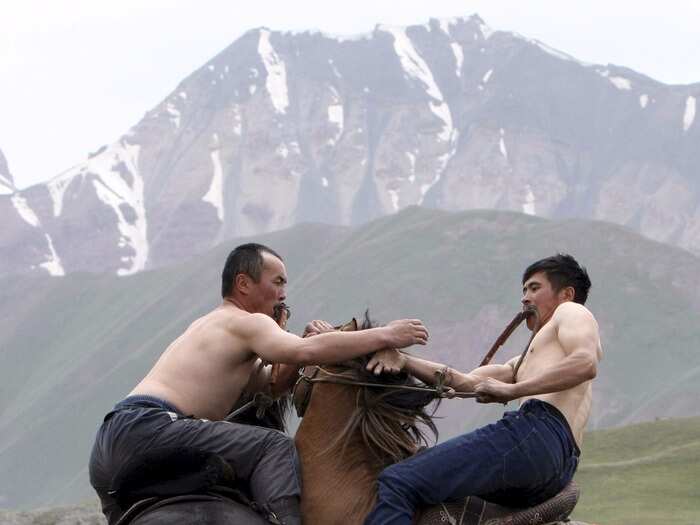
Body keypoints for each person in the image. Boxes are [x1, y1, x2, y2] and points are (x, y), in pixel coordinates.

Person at [88, 243, 429, 525]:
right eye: (277, 282)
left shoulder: (215, 328)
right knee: (274, 447)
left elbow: (273, 386)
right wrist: (387, 334)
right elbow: (304, 351)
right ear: (244, 284)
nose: (282, 294)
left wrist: (283, 335)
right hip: (151, 426)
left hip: (109, 450)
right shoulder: (243, 322)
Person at [363, 254, 602, 525]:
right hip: (554, 463)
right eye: (523, 290)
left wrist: (513, 391)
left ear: (566, 294)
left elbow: (585, 363)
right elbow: (465, 382)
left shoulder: (571, 312)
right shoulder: (526, 360)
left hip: (539, 432)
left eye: (534, 288)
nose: (524, 297)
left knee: (398, 481)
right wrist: (404, 360)